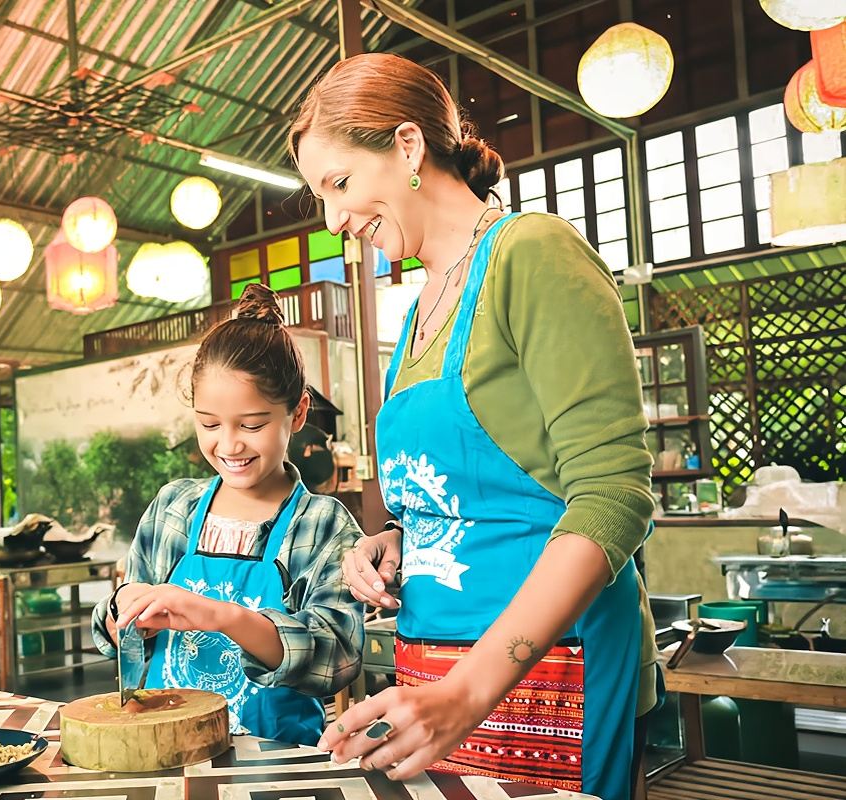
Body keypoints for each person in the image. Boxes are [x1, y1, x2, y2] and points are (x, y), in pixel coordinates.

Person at [290, 54, 657, 800]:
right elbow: (467, 494)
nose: (332, 221)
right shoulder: (422, 307)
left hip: (549, 667)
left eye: (338, 184)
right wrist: (397, 539)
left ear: (406, 146)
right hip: (434, 667)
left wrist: (471, 688)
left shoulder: (531, 252)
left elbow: (613, 494)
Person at [91, 284, 364, 747]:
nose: (229, 444)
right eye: (209, 424)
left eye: (252, 425)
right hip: (166, 747)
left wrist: (222, 617)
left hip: (276, 763)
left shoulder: (323, 525)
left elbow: (334, 657)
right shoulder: (174, 508)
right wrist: (123, 611)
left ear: (297, 413)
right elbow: (127, 639)